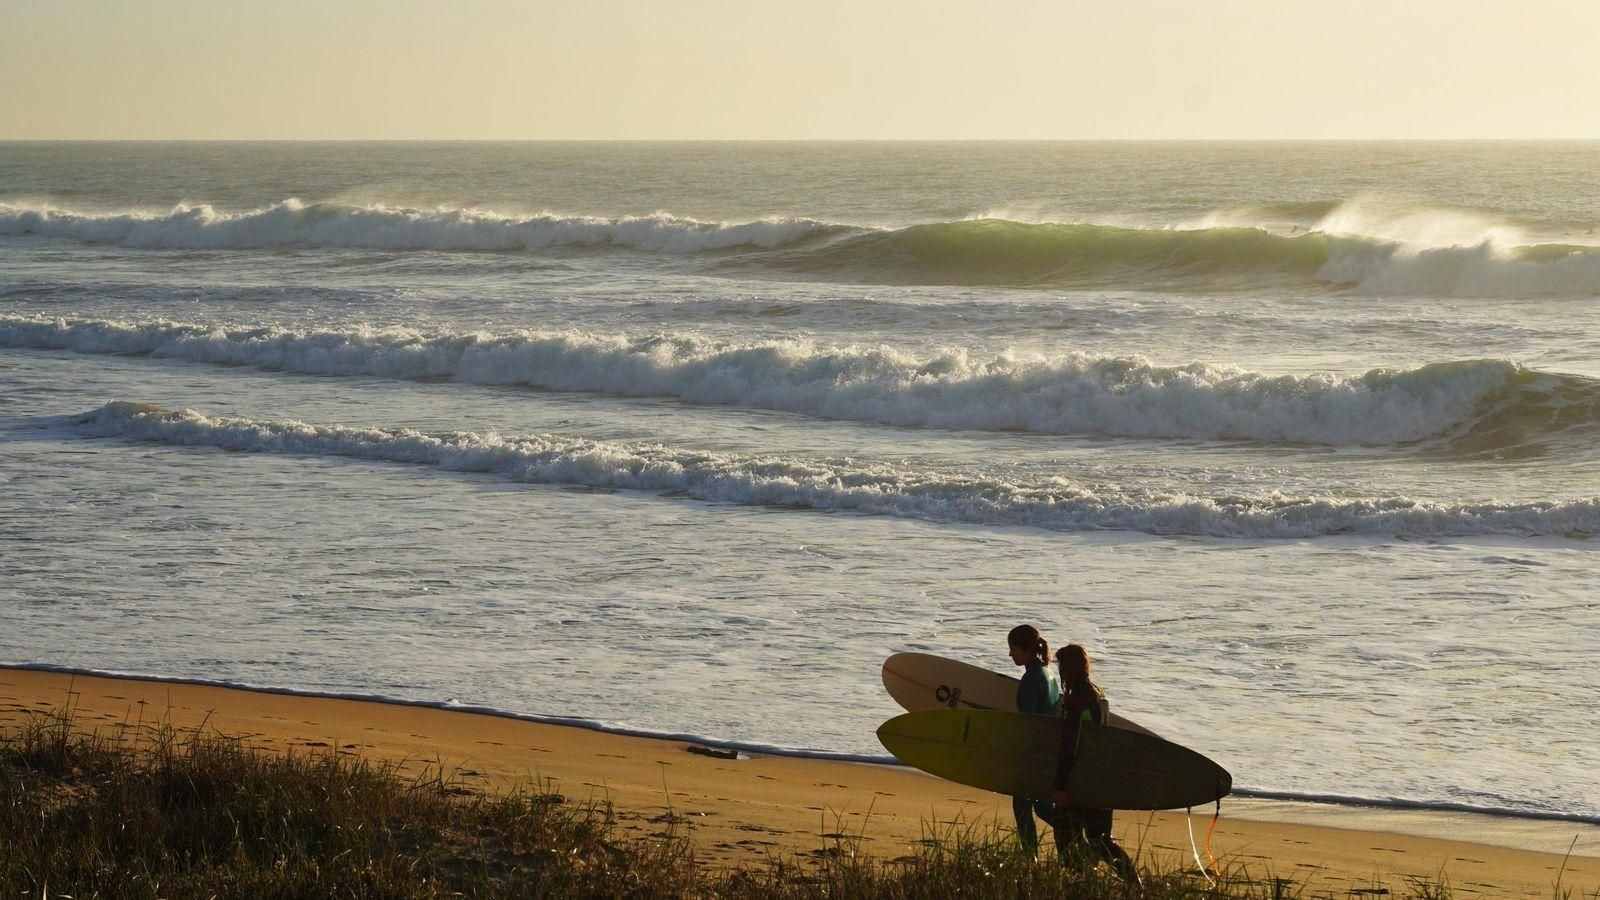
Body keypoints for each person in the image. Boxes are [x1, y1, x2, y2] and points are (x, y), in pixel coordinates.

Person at [1050, 643, 1140, 885]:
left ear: (1067, 669)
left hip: (1079, 781)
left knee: (1065, 837)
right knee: (1101, 840)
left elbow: (1069, 748)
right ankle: (1134, 883)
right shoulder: (1097, 696)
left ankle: (1077, 884)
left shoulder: (1075, 702)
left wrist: (1060, 786)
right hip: (1101, 779)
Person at [1006, 624, 1059, 854]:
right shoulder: (1049, 674)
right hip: (1049, 752)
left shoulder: (1030, 679)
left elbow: (1030, 723)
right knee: (1044, 809)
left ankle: (1030, 859)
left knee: (1022, 807)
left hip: (1034, 755)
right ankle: (1080, 843)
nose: (1010, 654)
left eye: (1013, 649)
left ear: (1026, 650)